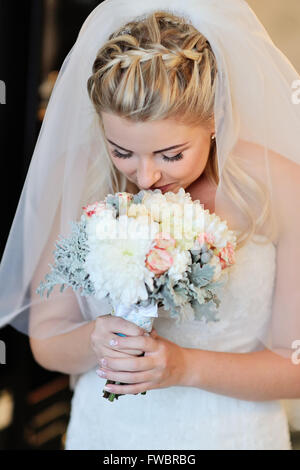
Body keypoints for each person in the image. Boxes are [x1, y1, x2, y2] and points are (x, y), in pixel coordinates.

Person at [0, 0, 299, 450]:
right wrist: (96, 339)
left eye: (171, 154)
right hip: (106, 437)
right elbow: (48, 341)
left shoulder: (280, 187)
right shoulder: (80, 175)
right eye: (121, 151)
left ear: (216, 117)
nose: (145, 177)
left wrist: (182, 366)